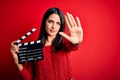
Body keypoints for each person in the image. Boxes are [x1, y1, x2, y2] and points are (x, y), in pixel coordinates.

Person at [10, 7, 83, 80]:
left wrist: (77, 42)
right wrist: (17, 62)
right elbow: (30, 78)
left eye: (58, 23)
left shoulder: (64, 43)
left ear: (61, 26)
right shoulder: (34, 48)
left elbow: (73, 46)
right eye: (50, 21)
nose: (53, 26)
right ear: (45, 22)